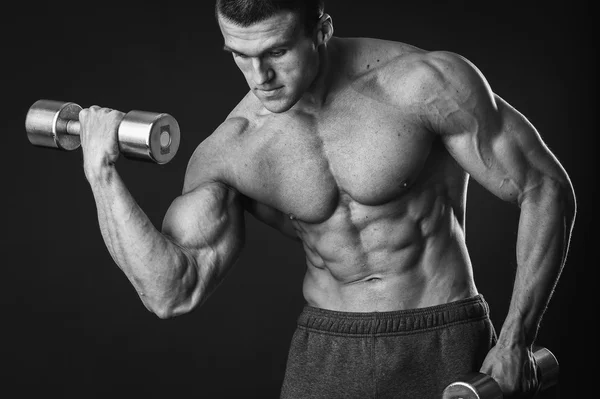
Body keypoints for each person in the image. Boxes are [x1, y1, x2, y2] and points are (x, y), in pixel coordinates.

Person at [77, 0, 576, 397]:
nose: (259, 77)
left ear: (321, 29)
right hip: (327, 352)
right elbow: (172, 291)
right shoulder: (233, 148)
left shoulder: (422, 84)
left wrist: (516, 337)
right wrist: (102, 173)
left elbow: (544, 187)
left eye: (275, 51)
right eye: (238, 55)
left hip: (443, 336)